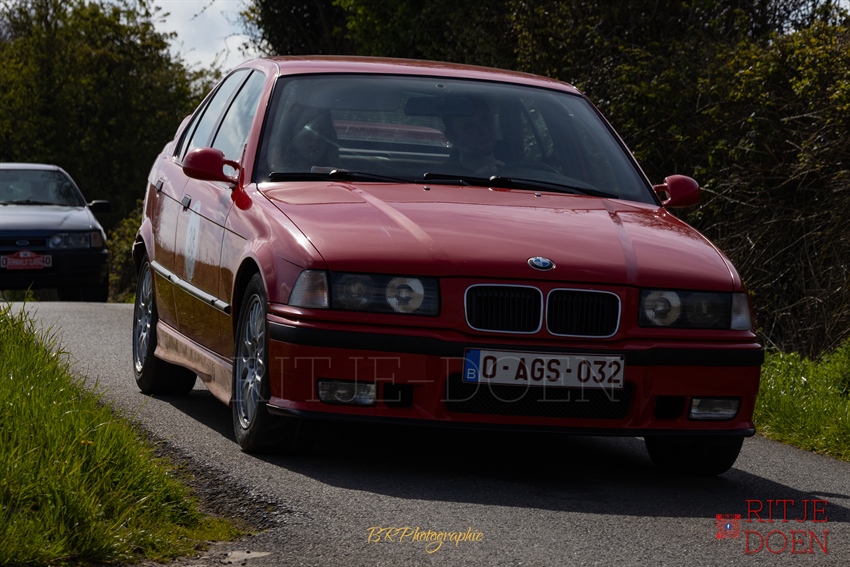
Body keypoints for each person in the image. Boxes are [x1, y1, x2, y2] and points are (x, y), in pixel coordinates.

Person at [441, 98, 504, 176]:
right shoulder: (443, 178)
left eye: (485, 120)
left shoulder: (516, 167)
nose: (483, 130)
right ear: (452, 137)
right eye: (470, 127)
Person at [272, 105, 339, 172]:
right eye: (307, 129)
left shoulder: (339, 175)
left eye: (323, 129)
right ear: (290, 132)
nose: (316, 137)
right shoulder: (273, 173)